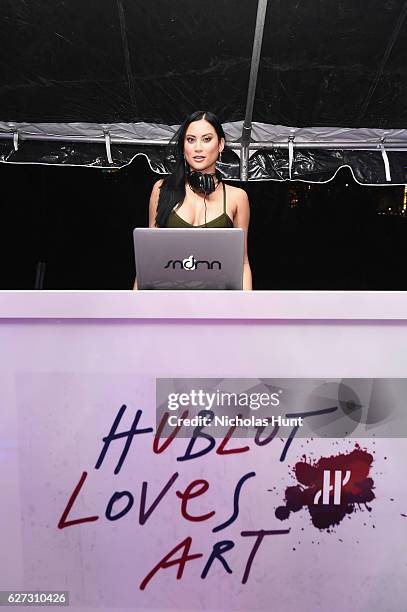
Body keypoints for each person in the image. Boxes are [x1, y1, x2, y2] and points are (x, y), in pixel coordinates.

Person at [135, 110, 252, 290]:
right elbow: (149, 259)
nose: (198, 147)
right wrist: (134, 308)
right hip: (166, 304)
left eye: (206, 139)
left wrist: (245, 310)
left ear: (220, 144)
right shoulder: (162, 189)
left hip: (216, 306)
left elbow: (242, 264)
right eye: (190, 140)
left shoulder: (237, 197)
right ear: (183, 146)